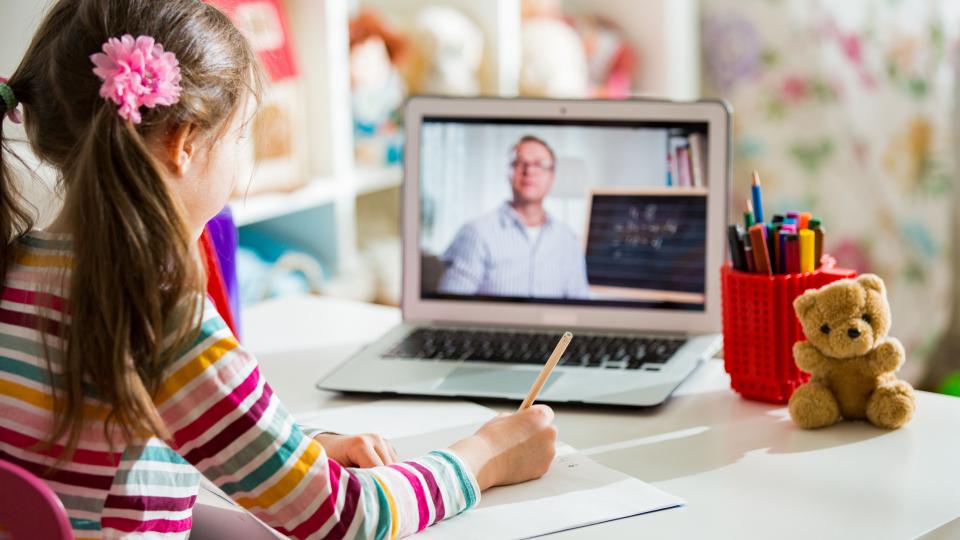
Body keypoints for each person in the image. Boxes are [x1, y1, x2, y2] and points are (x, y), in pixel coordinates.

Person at [0, 1, 557, 538]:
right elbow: (348, 516)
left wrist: (295, 448)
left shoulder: (13, 269)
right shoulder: (160, 319)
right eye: (241, 134)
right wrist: (486, 455)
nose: (243, 154)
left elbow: (119, 451)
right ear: (183, 143)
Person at [438, 135, 590, 299]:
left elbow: (579, 307)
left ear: (552, 177)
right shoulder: (476, 233)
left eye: (539, 165)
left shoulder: (568, 240)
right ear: (508, 173)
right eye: (520, 163)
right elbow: (450, 307)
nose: (529, 171)